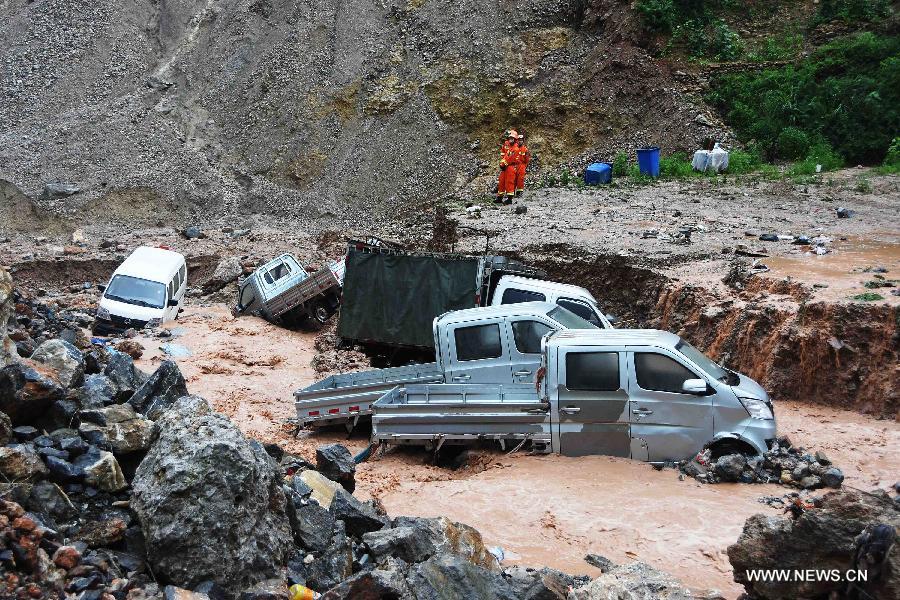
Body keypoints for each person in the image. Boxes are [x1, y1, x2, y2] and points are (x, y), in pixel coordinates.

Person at [496, 130, 518, 204]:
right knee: (501, 181)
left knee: (509, 182)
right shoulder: (507, 145)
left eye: (512, 138)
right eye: (510, 138)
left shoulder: (515, 148)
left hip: (511, 167)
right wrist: (502, 163)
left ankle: (509, 199)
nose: (510, 140)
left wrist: (503, 164)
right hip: (505, 166)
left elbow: (509, 158)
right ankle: (499, 197)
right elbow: (504, 155)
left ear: (515, 140)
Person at [514, 132, 530, 197]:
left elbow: (527, 159)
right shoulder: (514, 148)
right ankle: (511, 192)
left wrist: (524, 166)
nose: (520, 141)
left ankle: (519, 192)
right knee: (513, 179)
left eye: (521, 140)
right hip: (515, 165)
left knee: (520, 179)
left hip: (522, 166)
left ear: (523, 141)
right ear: (517, 141)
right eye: (519, 140)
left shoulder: (525, 149)